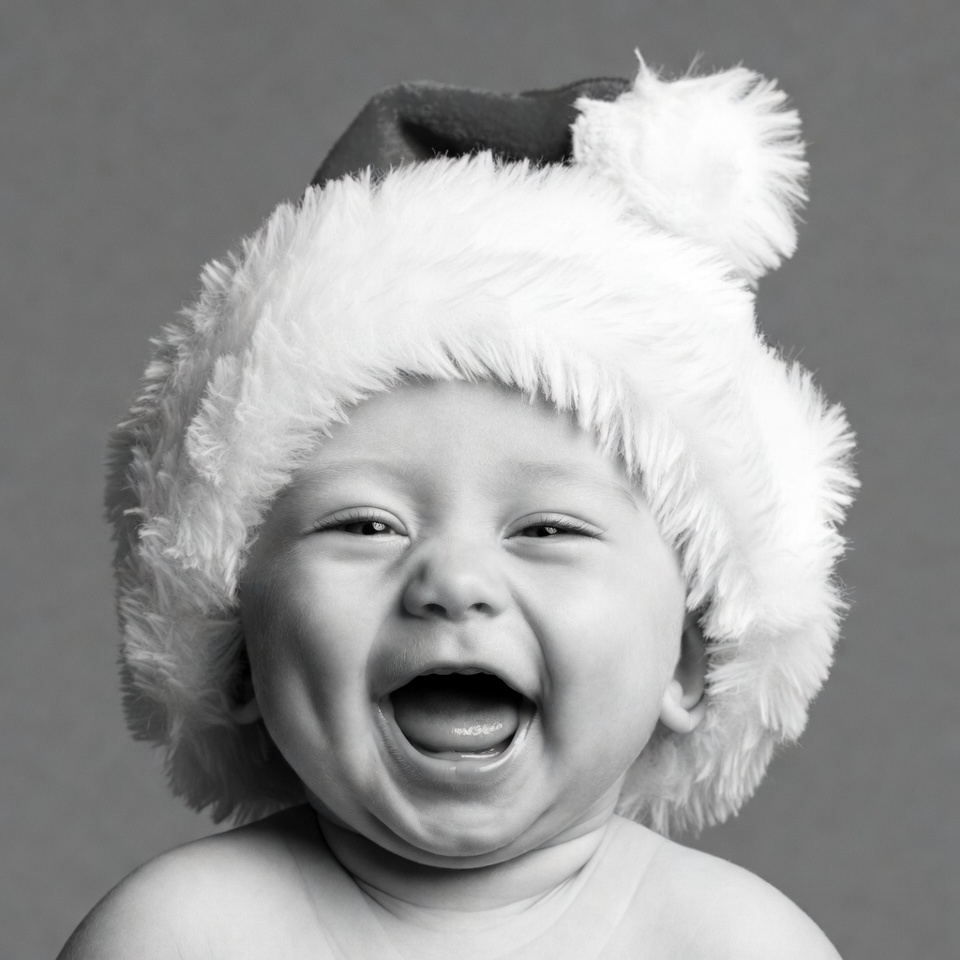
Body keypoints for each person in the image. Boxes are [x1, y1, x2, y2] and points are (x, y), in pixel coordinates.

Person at [59, 55, 857, 959]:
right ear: (237, 653)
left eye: (547, 528)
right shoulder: (182, 934)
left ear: (686, 659)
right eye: (365, 525)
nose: (454, 579)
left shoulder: (736, 943)